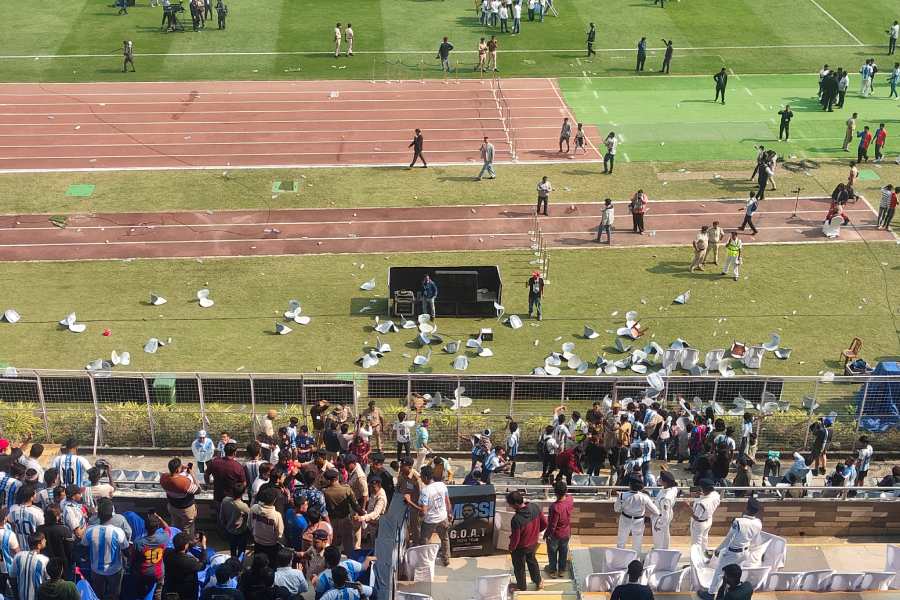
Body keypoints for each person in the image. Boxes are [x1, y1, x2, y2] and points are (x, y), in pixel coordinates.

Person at [701, 498, 763, 600]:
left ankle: (711, 593)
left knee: (719, 572)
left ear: (746, 508)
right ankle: (730, 590)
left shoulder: (738, 522)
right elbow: (755, 540)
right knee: (736, 573)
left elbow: (729, 539)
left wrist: (718, 550)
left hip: (733, 552)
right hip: (745, 552)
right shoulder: (758, 523)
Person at [82, 501, 129, 600]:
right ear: (112, 515)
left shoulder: (89, 530)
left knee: (97, 594)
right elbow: (126, 551)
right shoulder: (118, 532)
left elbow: (84, 548)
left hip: (96, 569)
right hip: (115, 570)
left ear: (98, 515)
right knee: (114, 595)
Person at [507, 491, 546, 592]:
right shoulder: (535, 507)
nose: (510, 506)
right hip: (533, 543)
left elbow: (516, 539)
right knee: (532, 562)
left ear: (515, 504)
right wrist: (536, 532)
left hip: (520, 548)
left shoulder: (516, 519)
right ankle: (538, 582)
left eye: (510, 504)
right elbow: (545, 523)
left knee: (519, 567)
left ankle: (521, 586)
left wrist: (511, 548)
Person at [417, 465, 451, 567]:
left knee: (425, 542)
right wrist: (450, 513)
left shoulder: (425, 491)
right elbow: (448, 502)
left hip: (430, 521)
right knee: (444, 538)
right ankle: (446, 559)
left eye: (421, 477)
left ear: (426, 477)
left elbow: (423, 511)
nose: (421, 479)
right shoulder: (442, 485)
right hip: (443, 517)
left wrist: (410, 502)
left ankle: (425, 562)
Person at [613, 480, 660, 553]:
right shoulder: (644, 497)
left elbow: (616, 509)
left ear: (630, 485)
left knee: (621, 541)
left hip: (625, 519)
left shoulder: (622, 495)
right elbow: (655, 511)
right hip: (639, 521)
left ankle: (619, 559)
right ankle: (636, 559)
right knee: (637, 543)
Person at [544, 481, 572, 579]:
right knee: (563, 552)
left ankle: (552, 571)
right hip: (566, 533)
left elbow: (552, 525)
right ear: (566, 490)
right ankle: (562, 570)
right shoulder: (570, 500)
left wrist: (546, 535)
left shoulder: (554, 507)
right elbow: (567, 494)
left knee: (552, 553)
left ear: (555, 492)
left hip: (555, 535)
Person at [10, 532, 48, 600]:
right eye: (44, 539)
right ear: (39, 545)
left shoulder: (18, 556)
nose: (45, 540)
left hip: (21, 596)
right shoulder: (44, 560)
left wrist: (16, 595)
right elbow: (48, 581)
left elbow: (12, 577)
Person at [689, 480, 721, 555]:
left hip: (699, 524)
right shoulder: (716, 495)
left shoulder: (702, 503)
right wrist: (702, 495)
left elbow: (696, 517)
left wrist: (688, 508)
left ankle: (695, 562)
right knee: (704, 540)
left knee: (696, 544)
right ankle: (703, 557)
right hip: (708, 520)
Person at [652, 471, 678, 549]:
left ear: (665, 482)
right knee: (665, 535)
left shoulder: (666, 497)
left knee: (659, 537)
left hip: (661, 516)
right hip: (666, 513)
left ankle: (659, 551)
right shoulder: (671, 489)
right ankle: (665, 550)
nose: (659, 479)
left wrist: (658, 524)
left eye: (660, 478)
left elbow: (665, 515)